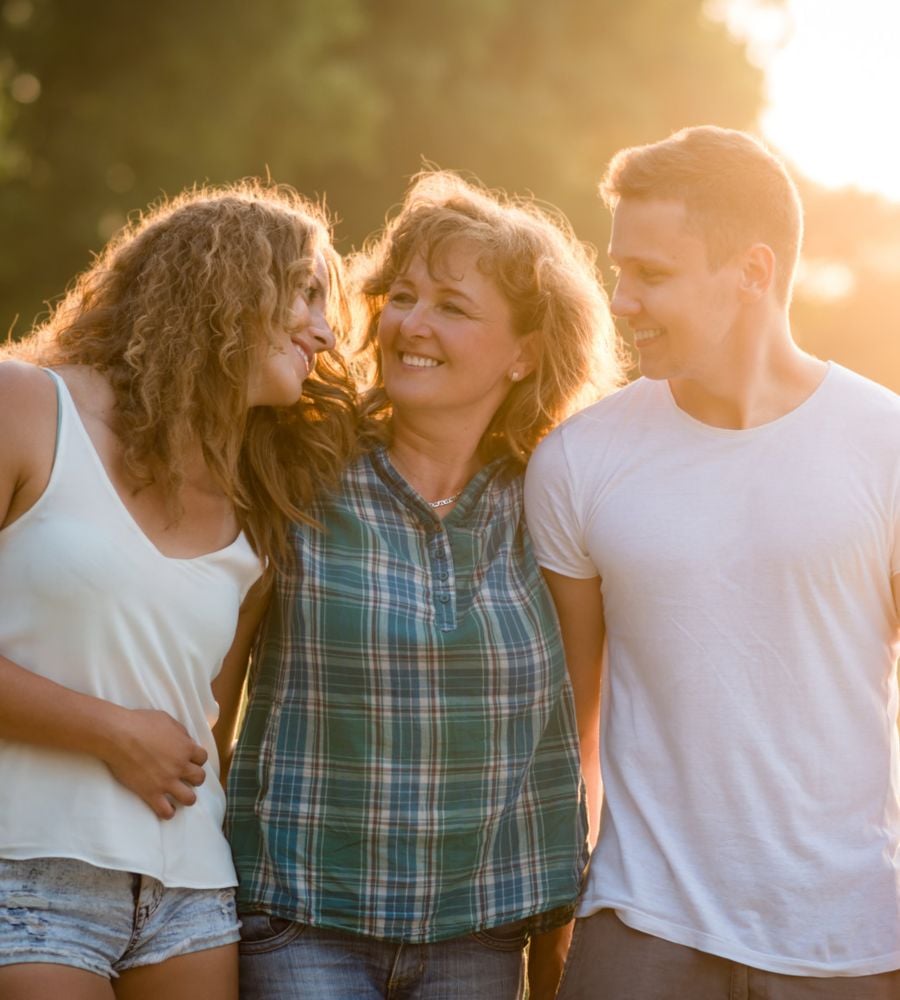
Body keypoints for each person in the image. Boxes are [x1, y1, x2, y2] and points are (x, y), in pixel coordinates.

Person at [221, 170, 627, 1000]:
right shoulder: (299, 459)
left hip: (477, 936)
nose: (411, 323)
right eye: (402, 295)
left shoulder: (554, 498)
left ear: (526, 352)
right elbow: (213, 683)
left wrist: (558, 934)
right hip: (298, 917)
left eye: (452, 305)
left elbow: (571, 738)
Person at [524, 125, 900, 999]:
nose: (620, 300)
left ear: (753, 272)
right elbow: (564, 728)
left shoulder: (885, 445)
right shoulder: (580, 462)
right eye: (620, 269)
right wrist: (552, 931)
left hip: (849, 934)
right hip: (641, 926)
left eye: (650, 274)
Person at [0, 182, 357, 1000]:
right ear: (226, 286)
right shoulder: (24, 406)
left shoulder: (256, 514)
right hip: (24, 872)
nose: (325, 332)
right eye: (306, 292)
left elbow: (208, 732)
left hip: (190, 893)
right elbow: (147, 735)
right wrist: (110, 732)